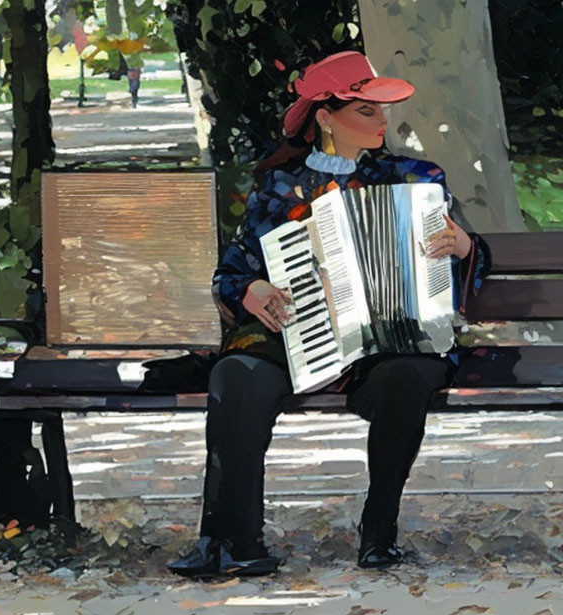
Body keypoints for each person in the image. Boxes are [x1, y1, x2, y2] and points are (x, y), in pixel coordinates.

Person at [167, 51, 491, 578]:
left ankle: (379, 532)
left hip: (389, 337)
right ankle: (230, 540)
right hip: (297, 334)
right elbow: (231, 271)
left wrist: (460, 246)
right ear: (324, 116)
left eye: (381, 111)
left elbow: (462, 269)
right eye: (367, 111)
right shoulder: (277, 186)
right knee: (236, 374)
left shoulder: (416, 178)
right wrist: (249, 289)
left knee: (409, 376)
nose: (383, 123)